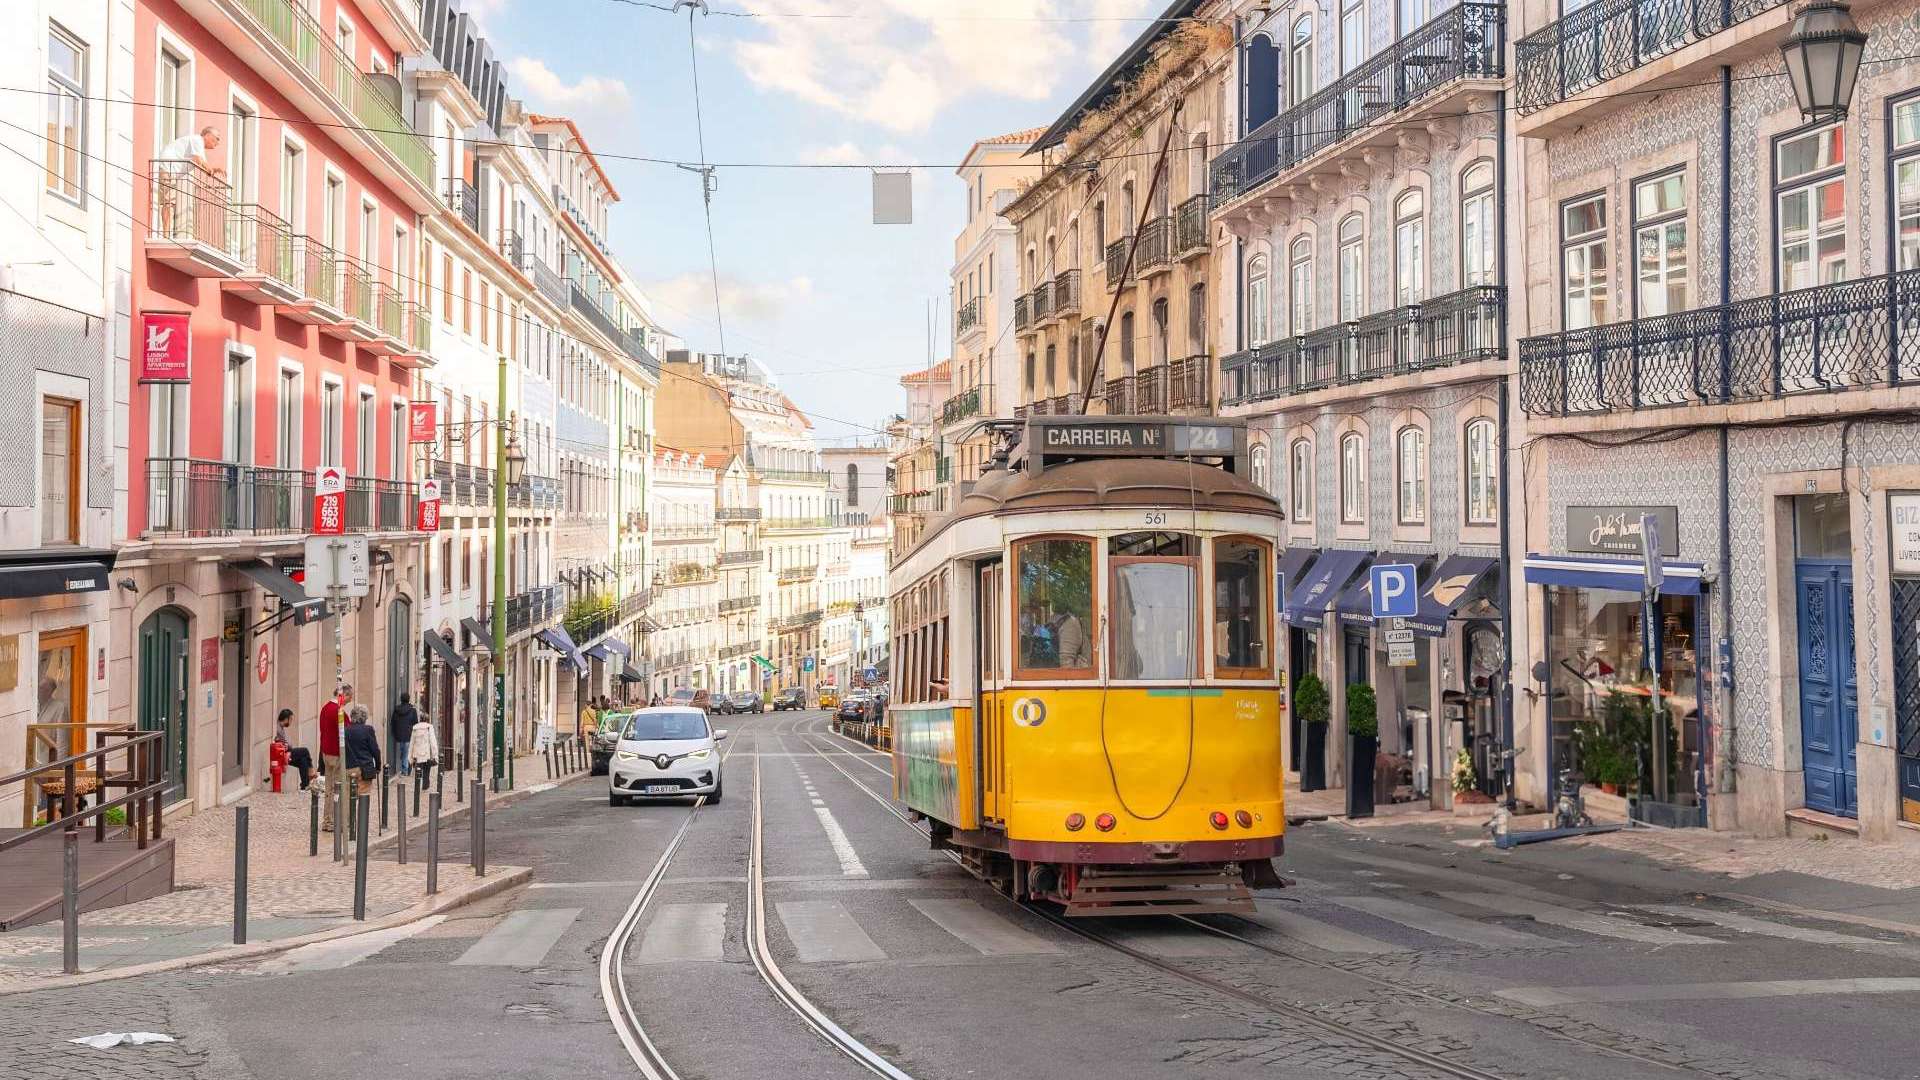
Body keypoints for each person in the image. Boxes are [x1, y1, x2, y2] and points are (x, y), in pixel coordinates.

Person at [154, 125, 222, 235]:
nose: (218, 142)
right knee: (169, 202)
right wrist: (210, 170)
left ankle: (167, 233)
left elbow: (203, 165)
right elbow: (198, 160)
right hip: (168, 168)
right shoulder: (197, 140)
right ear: (208, 135)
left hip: (171, 170)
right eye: (217, 138)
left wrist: (213, 170)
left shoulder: (198, 145)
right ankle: (166, 234)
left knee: (169, 202)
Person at [342, 704, 381, 841]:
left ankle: (347, 825)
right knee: (363, 798)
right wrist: (378, 766)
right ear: (364, 718)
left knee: (348, 798)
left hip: (349, 768)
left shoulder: (345, 730)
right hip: (365, 769)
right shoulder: (368, 730)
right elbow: (375, 750)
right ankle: (361, 826)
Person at [318, 683, 352, 832]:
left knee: (329, 789)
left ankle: (328, 821)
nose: (350, 699)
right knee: (340, 788)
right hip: (338, 754)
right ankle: (338, 821)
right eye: (350, 696)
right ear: (343, 695)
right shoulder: (339, 712)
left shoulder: (325, 708)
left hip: (326, 753)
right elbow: (347, 735)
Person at [274, 708, 314, 790]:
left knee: (302, 760)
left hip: (287, 752)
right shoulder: (277, 729)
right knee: (305, 751)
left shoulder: (280, 728)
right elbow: (280, 744)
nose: (291, 722)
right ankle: (311, 771)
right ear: (286, 719)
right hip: (283, 754)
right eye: (290, 719)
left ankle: (305, 785)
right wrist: (288, 750)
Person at [389, 692, 419, 777]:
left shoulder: (396, 709)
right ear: (408, 699)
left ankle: (404, 769)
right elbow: (416, 723)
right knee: (406, 753)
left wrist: (394, 733)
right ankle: (405, 770)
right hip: (409, 735)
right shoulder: (412, 710)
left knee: (403, 753)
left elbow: (393, 722)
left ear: (401, 699)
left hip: (398, 736)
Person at [408, 710, 440, 790]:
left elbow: (412, 743)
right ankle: (425, 788)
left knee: (417, 773)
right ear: (427, 720)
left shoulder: (415, 728)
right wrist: (435, 755)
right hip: (426, 755)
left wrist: (410, 757)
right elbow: (433, 742)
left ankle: (417, 789)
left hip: (417, 755)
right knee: (426, 773)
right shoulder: (429, 727)